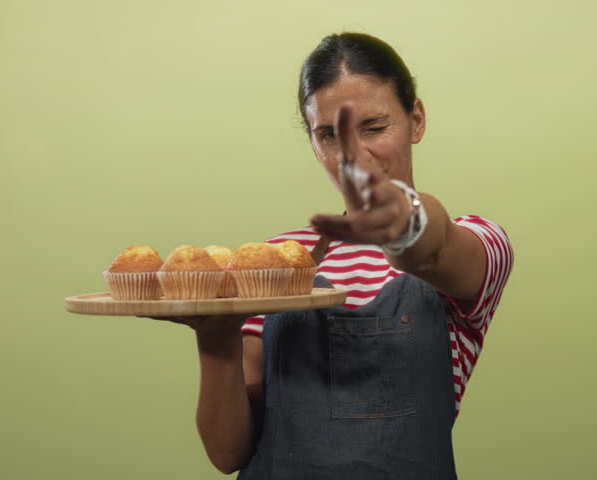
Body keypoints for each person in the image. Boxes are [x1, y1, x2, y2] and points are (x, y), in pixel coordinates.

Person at [170, 33, 513, 479]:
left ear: (417, 119)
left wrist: (402, 216)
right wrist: (215, 337)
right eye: (329, 135)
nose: (353, 158)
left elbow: (434, 248)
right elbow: (228, 453)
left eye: (373, 127)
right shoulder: (277, 262)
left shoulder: (482, 243)